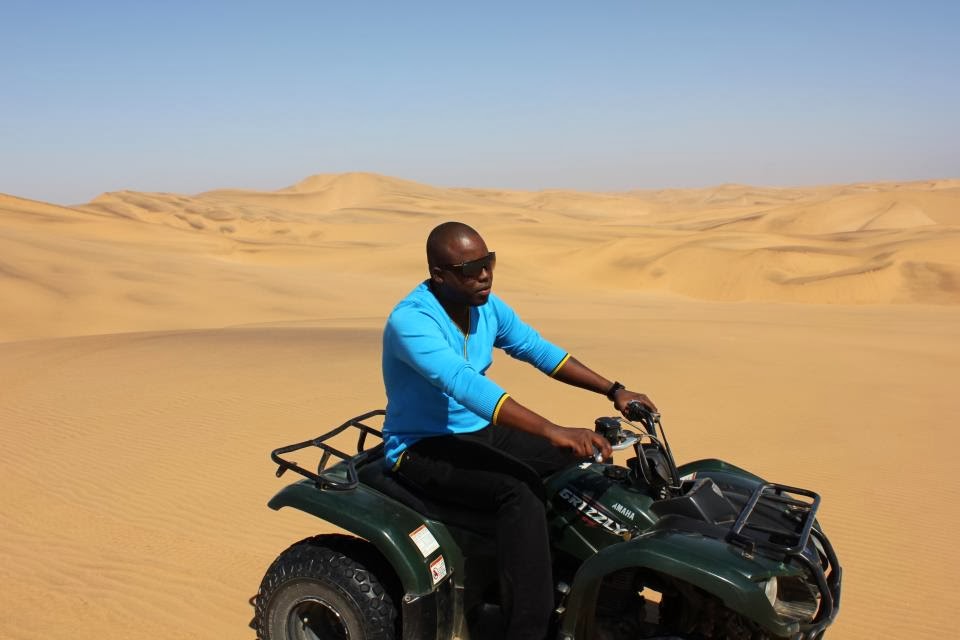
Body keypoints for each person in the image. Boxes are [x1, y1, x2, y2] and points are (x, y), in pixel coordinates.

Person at [381, 221, 657, 640]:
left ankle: (577, 582)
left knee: (580, 464)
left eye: (488, 262)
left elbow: (536, 349)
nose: (485, 275)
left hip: (480, 429)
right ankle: (529, 629)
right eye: (471, 269)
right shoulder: (412, 321)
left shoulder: (485, 307)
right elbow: (464, 384)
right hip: (423, 445)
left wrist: (613, 390)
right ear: (439, 275)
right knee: (519, 492)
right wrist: (552, 429)